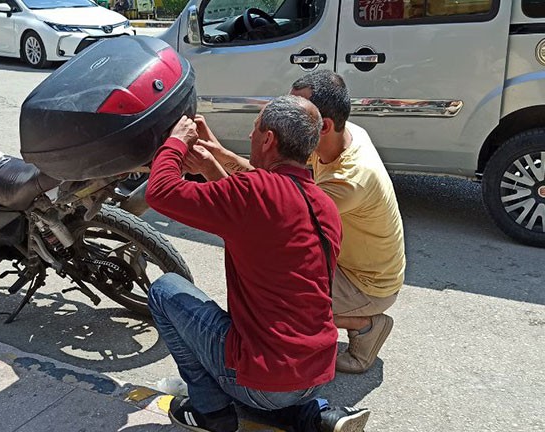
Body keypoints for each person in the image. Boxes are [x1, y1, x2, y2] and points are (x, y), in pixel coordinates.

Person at [145, 95, 371, 432]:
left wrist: (177, 141)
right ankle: (314, 418)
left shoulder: (253, 195)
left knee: (165, 291)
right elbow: (248, 207)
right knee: (266, 381)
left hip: (266, 380)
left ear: (268, 139)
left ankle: (210, 413)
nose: (250, 137)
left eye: (255, 129)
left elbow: (159, 191)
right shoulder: (321, 204)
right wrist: (209, 163)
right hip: (316, 372)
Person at [192, 70, 406, 374]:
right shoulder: (343, 134)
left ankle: (366, 322)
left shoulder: (348, 180)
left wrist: (212, 166)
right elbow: (273, 181)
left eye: (299, 111)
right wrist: (221, 153)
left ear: (325, 125)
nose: (289, 116)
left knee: (269, 294)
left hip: (366, 286)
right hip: (345, 261)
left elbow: (263, 206)